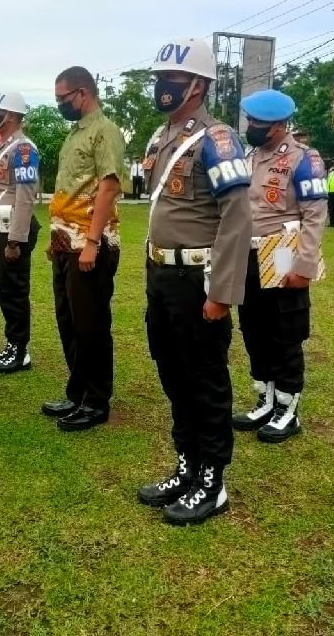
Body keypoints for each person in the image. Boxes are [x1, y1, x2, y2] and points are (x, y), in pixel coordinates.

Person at [135, 38, 251, 526]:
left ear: (199, 86)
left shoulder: (217, 138)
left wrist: (221, 293)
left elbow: (237, 215)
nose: (162, 87)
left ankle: (213, 480)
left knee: (204, 378)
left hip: (198, 279)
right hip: (162, 273)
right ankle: (187, 465)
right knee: (172, 372)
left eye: (173, 81)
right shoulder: (162, 136)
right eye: (160, 79)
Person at [232, 89, 327, 444]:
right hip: (249, 253)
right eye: (251, 121)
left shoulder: (305, 158)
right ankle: (266, 399)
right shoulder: (251, 155)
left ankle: (288, 409)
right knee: (253, 327)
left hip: (284, 250)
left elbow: (315, 215)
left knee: (284, 331)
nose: (251, 127)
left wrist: (304, 265)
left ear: (278, 125)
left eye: (258, 123)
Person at [43, 66, 125, 432]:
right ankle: (77, 392)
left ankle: (95, 400)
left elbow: (108, 188)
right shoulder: (74, 134)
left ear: (83, 93)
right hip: (66, 243)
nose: (61, 104)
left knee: (90, 324)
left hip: (90, 243)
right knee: (69, 321)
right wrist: (56, 237)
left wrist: (91, 243)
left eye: (63, 98)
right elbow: (68, 192)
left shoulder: (104, 132)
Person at [0, 91, 40, 374]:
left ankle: (20, 351)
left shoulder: (24, 150)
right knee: (3, 288)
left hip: (12, 230)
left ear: (13, 116)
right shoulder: (2, 146)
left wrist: (16, 239)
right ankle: (12, 344)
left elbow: (25, 197)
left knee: (14, 290)